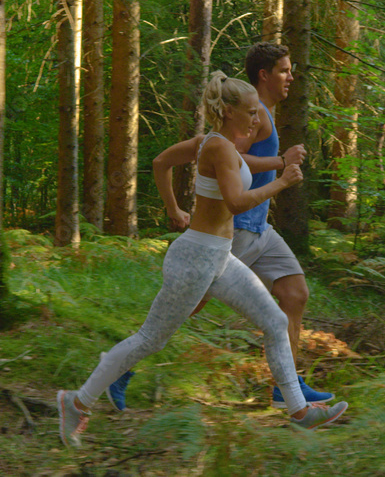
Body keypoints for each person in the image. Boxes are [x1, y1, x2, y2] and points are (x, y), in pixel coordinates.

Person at [57, 72, 348, 448]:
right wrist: (282, 182)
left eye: (258, 112)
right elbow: (237, 202)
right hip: (195, 258)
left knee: (276, 320)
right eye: (251, 112)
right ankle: (76, 402)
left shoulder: (213, 143)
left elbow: (162, 163)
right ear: (227, 112)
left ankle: (299, 412)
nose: (257, 119)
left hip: (218, 256)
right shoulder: (218, 148)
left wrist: (175, 208)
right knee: (149, 339)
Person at [105, 43, 333, 412]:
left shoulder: (261, 112)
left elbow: (186, 157)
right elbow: (224, 154)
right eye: (284, 71)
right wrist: (281, 161)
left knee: (295, 294)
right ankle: (122, 366)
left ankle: (286, 387)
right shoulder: (251, 115)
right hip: (235, 228)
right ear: (264, 75)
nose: (291, 77)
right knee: (186, 306)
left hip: (261, 229)